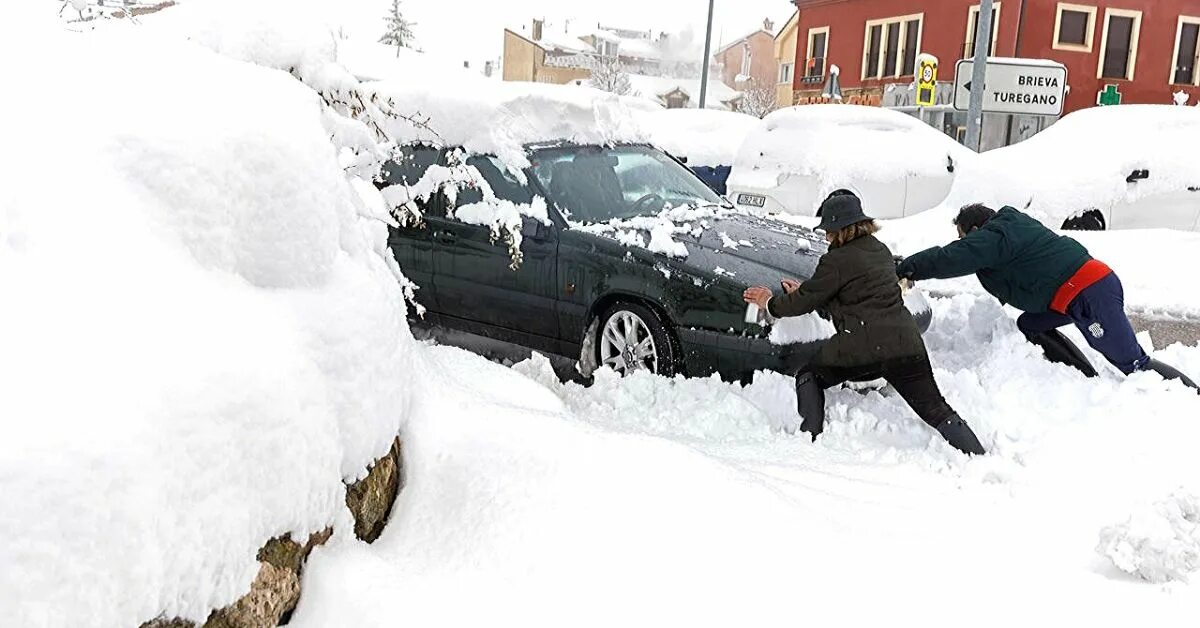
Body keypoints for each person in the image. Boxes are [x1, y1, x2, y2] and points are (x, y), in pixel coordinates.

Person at [743, 191, 986, 455]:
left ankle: (808, 441)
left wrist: (769, 302)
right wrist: (806, 291)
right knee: (936, 408)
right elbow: (849, 294)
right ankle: (978, 454)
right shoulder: (880, 250)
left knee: (809, 374)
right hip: (905, 344)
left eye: (829, 230)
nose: (826, 236)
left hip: (862, 346)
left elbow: (805, 302)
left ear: (840, 229)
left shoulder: (835, 260)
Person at [897, 203, 1198, 390]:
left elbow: (951, 257)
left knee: (1134, 362)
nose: (964, 243)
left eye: (965, 237)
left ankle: (1189, 398)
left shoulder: (996, 236)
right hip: (1077, 293)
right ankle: (1082, 375)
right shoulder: (1010, 229)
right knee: (1032, 324)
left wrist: (908, 267)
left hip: (1090, 293)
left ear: (976, 229)